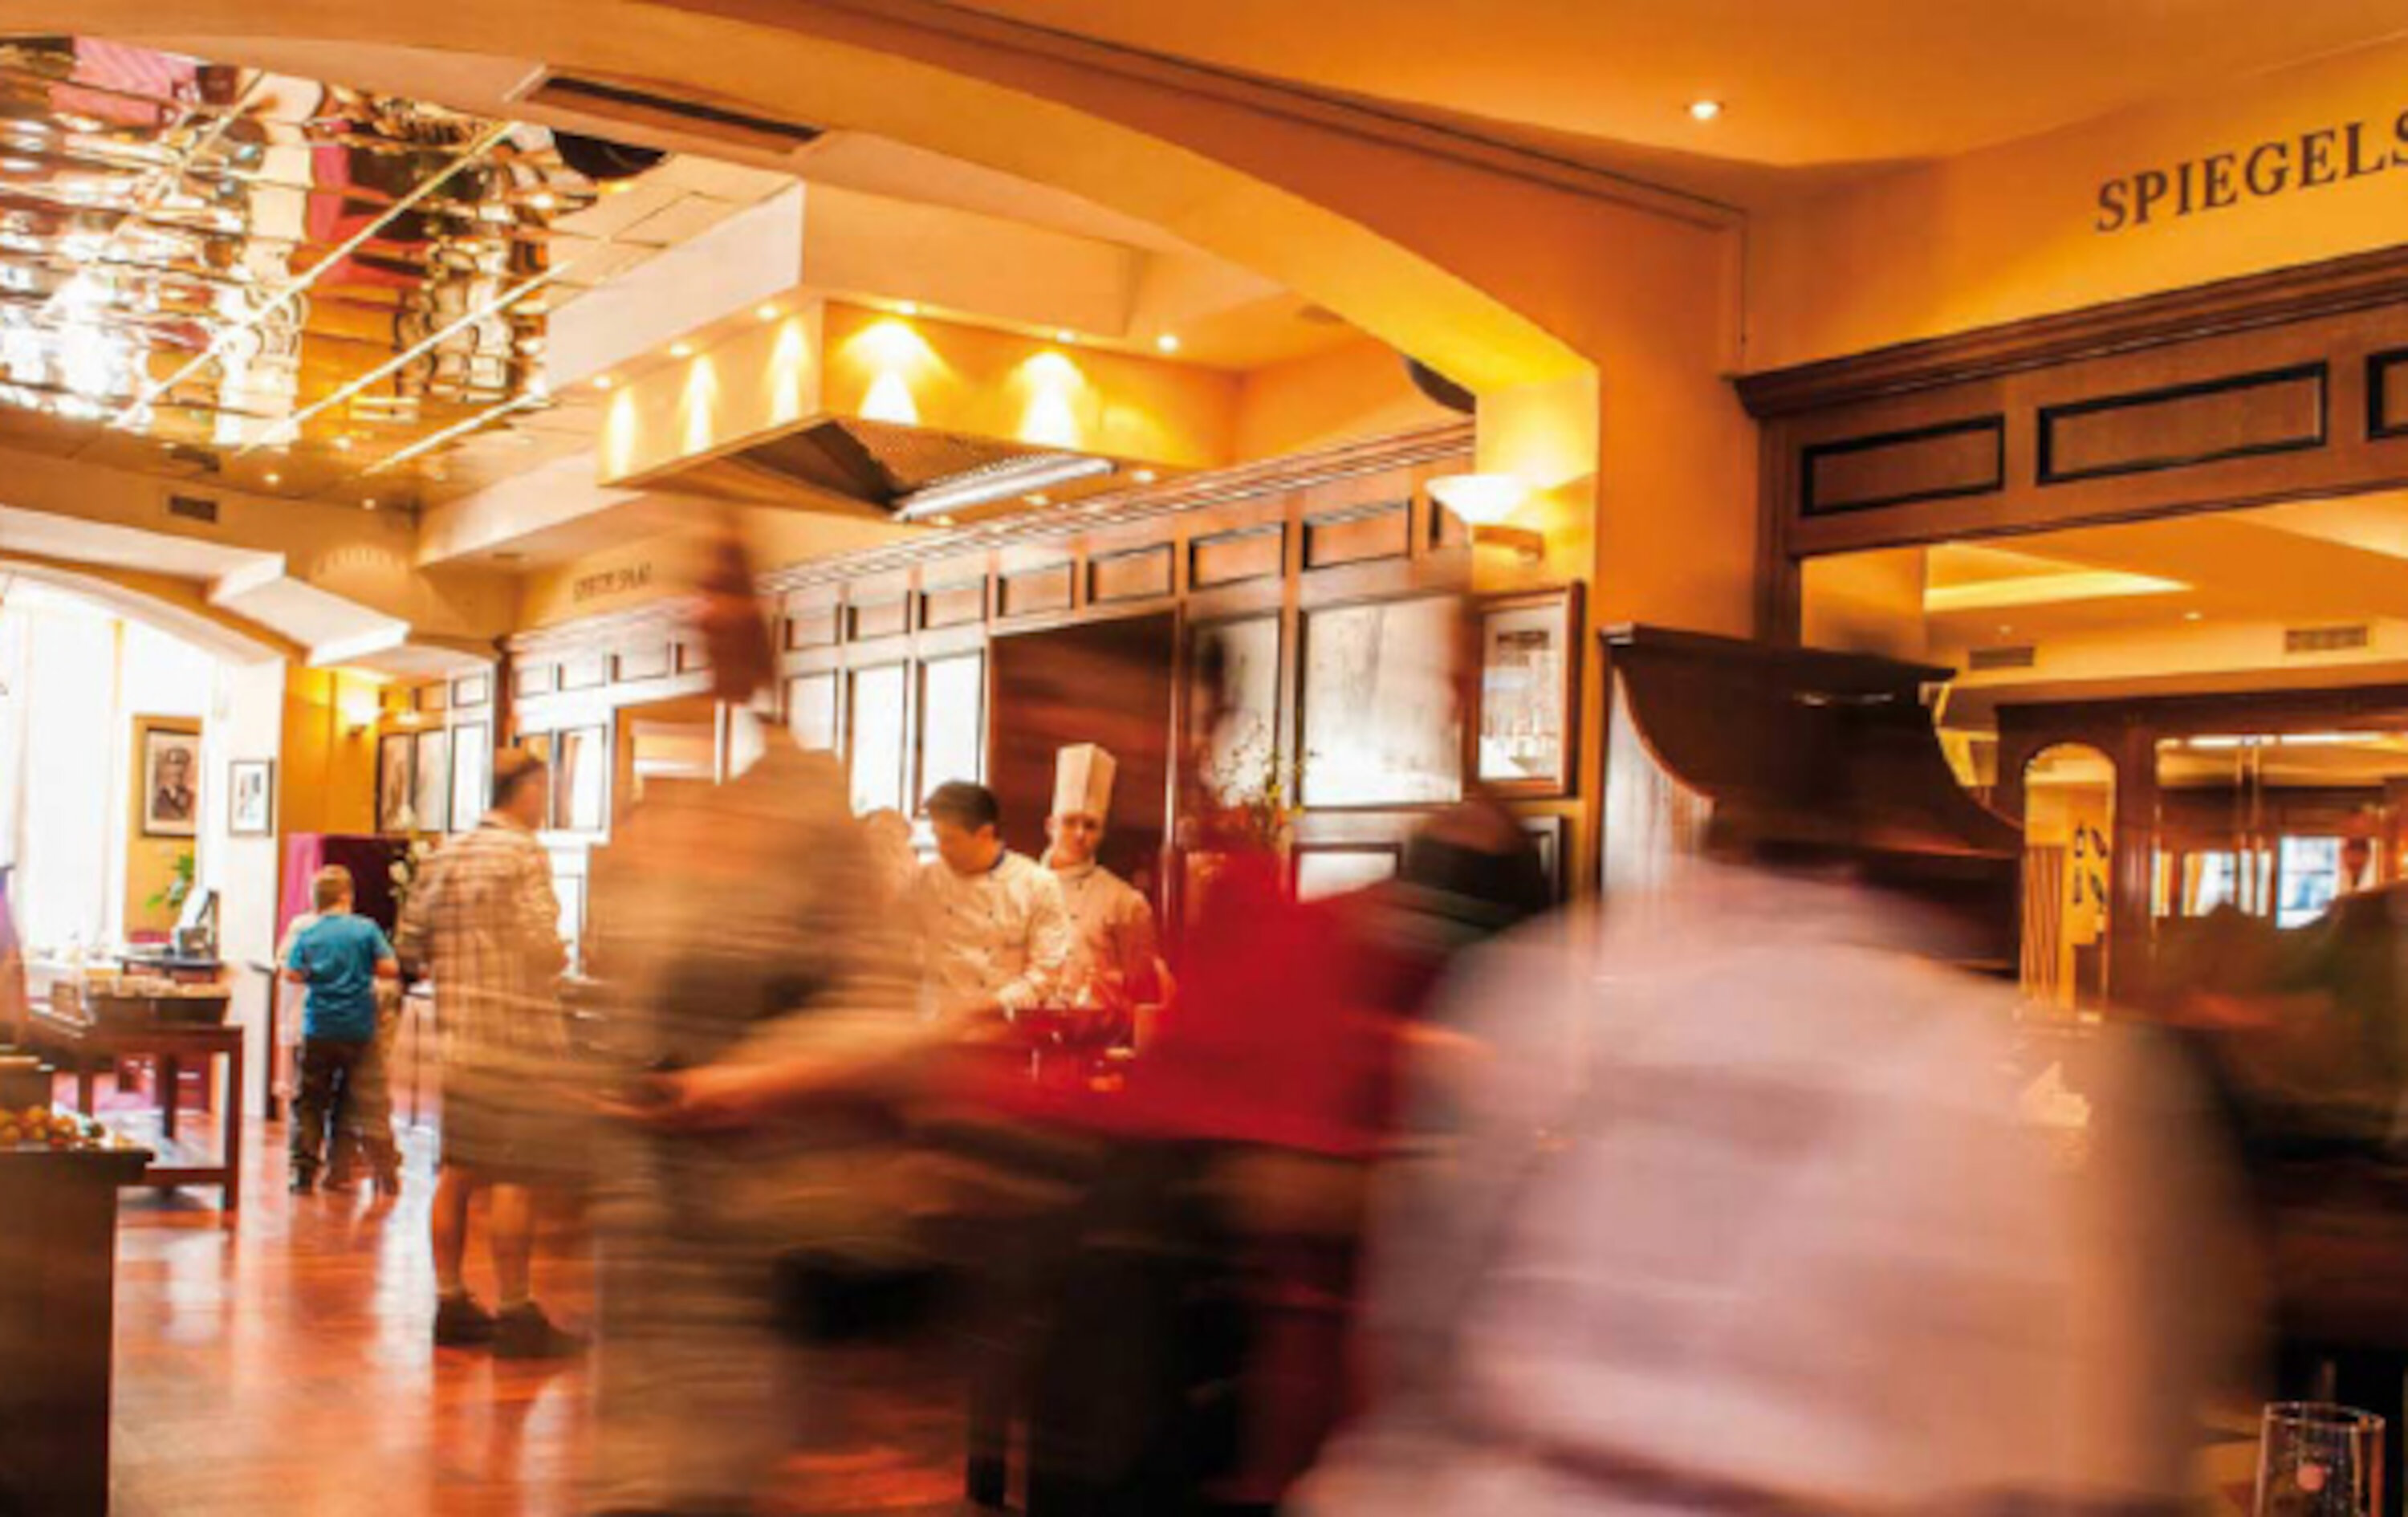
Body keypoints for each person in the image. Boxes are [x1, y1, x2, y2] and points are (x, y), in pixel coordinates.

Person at [583, 531, 924, 1516]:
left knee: (718, 1468)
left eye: (729, 595)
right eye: (698, 598)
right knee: (642, 1471)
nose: (709, 618)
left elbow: (876, 1012)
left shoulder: (810, 808)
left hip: (756, 1215)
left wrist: (748, 1083)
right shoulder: (669, 819)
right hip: (648, 1222)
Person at [394, 748, 584, 1358]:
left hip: (458, 1041)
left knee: (456, 1172)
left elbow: (409, 946)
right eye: (544, 790)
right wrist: (554, 954)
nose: (545, 801)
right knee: (514, 1177)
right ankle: (516, 1312)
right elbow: (540, 944)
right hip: (516, 1044)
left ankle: (450, 1303)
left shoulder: (447, 853)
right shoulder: (522, 853)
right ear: (525, 789)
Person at [913, 780, 1072, 1027]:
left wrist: (985, 1007)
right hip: (935, 1028)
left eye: (951, 840)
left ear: (985, 834)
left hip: (1003, 1032)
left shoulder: (1037, 885)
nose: (942, 849)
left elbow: (1045, 975)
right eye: (938, 837)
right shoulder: (925, 880)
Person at [280, 866, 400, 1194]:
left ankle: (304, 1172)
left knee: (310, 1102)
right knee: (361, 1100)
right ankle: (362, 1171)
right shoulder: (366, 929)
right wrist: (361, 969)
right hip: (359, 1027)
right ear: (347, 896)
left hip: (319, 1026)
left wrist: (319, 974)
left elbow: (291, 973)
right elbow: (389, 967)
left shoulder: (309, 933)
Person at [1040, 743, 1163, 1039]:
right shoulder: (1017, 889)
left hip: (1097, 1045)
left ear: (1102, 833)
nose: (1080, 834)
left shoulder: (1125, 902)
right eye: (1070, 822)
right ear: (1050, 826)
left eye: (1091, 826)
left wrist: (1108, 993)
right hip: (1023, 1043)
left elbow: (1145, 998)